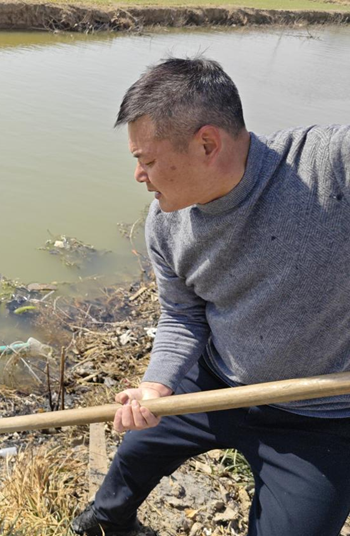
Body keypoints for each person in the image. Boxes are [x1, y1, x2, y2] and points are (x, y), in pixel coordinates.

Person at [71, 57, 350, 536]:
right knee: (132, 456)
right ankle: (106, 523)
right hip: (216, 381)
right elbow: (182, 315)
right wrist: (157, 386)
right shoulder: (165, 224)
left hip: (320, 414)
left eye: (148, 160)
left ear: (206, 143)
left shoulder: (329, 165)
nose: (139, 176)